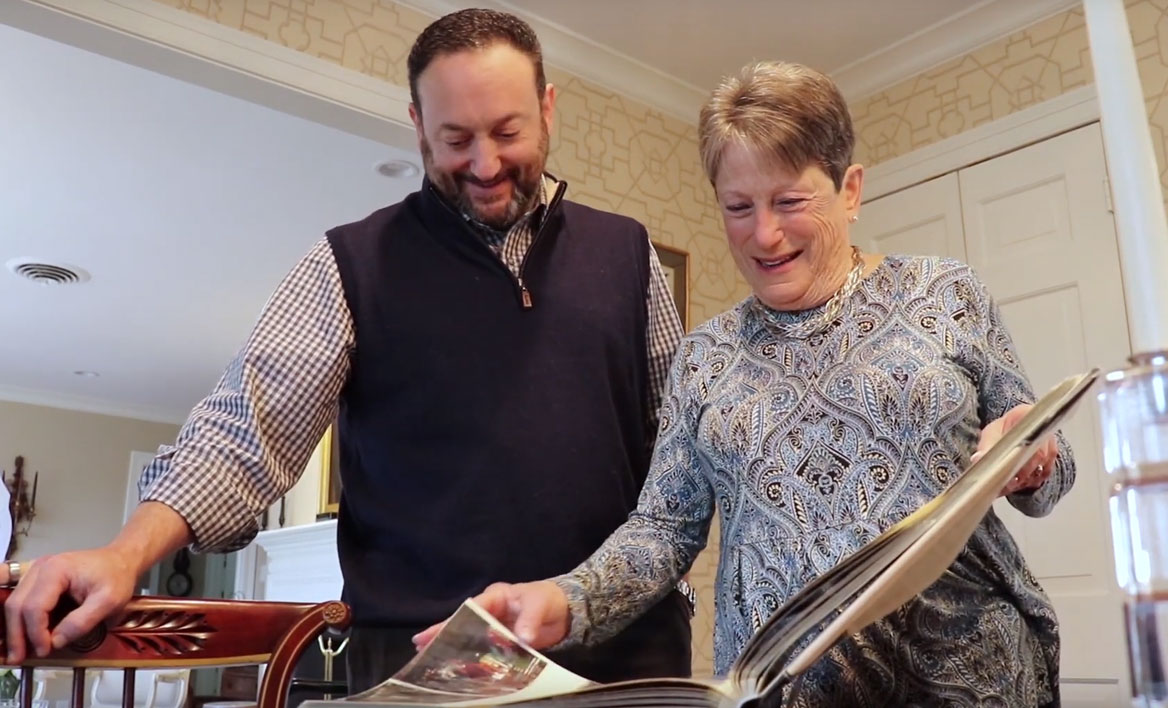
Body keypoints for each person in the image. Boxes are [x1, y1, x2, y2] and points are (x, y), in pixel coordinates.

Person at [1, 8, 694, 691]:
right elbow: (243, 434)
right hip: (422, 665)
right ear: (418, 125)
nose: (485, 164)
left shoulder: (628, 255)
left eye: (507, 131)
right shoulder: (349, 265)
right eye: (455, 139)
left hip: (627, 660)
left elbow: (681, 465)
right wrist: (126, 554)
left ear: (547, 108)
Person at [418, 61, 1074, 707]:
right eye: (738, 207)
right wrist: (560, 600)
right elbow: (663, 529)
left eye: (790, 201)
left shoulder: (944, 292)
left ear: (849, 189)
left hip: (972, 676)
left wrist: (1034, 455)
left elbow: (1047, 463)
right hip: (785, 692)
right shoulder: (704, 356)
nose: (764, 234)